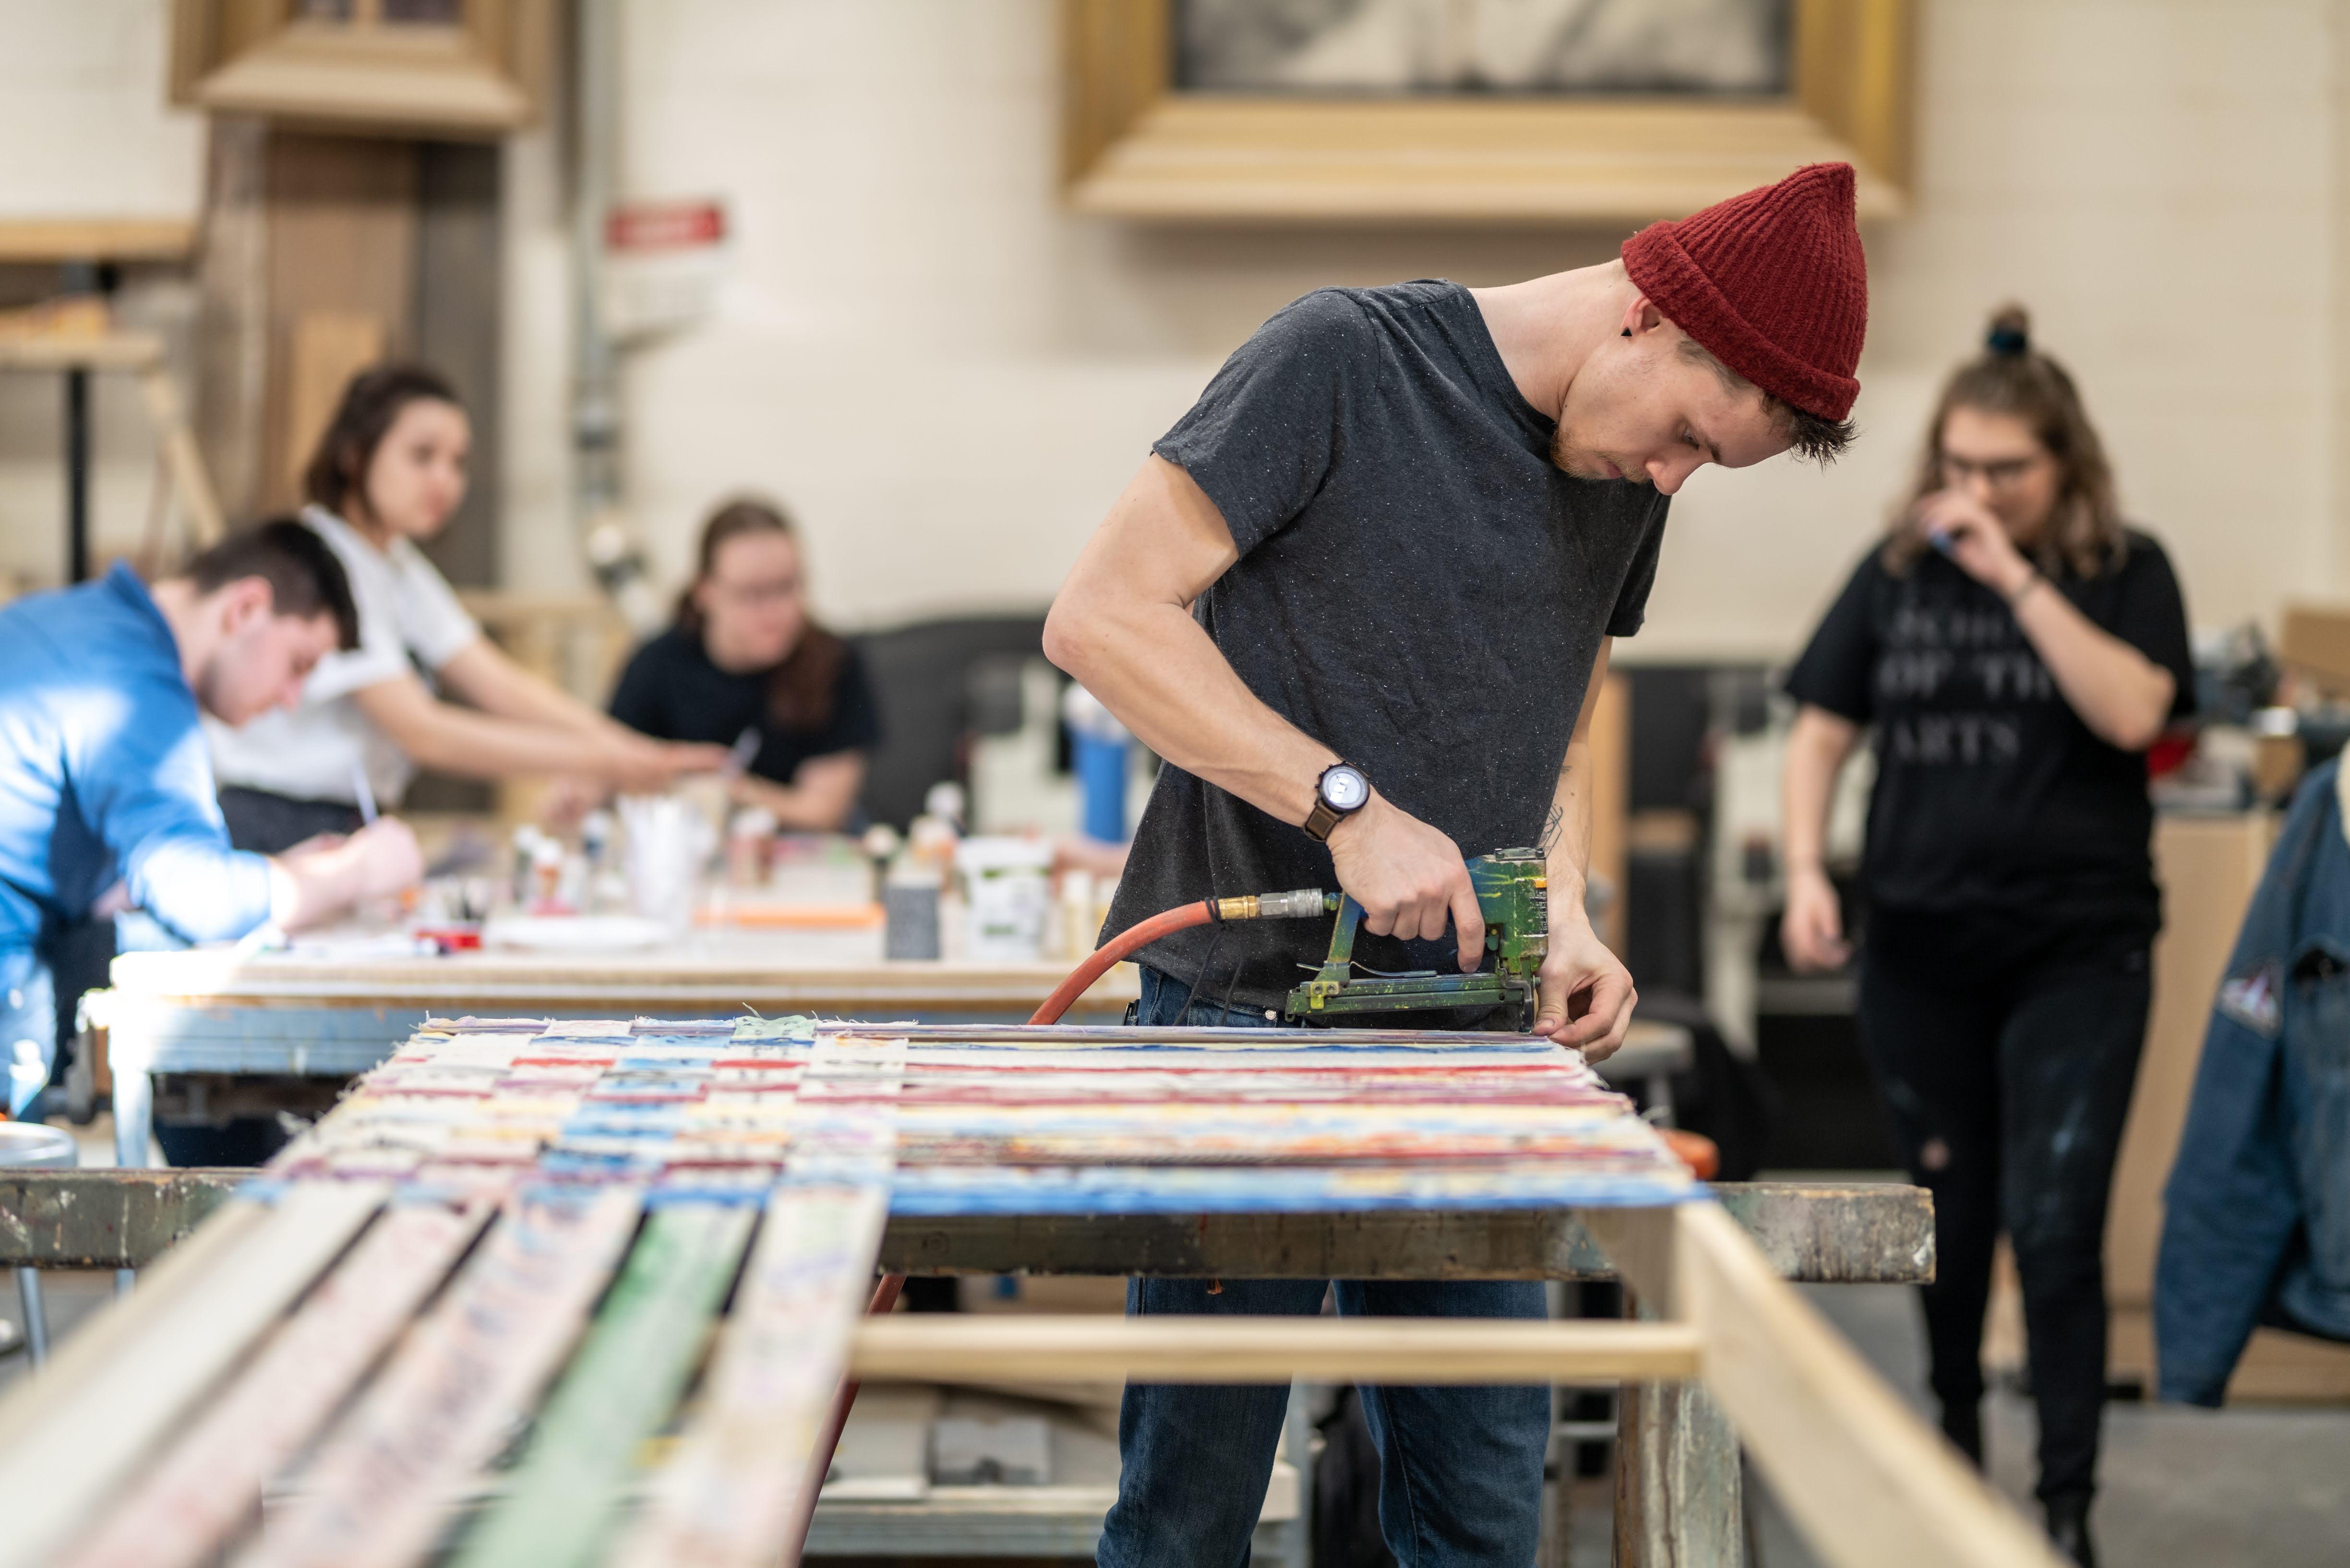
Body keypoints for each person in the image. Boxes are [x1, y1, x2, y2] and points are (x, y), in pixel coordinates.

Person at [1045, 163, 1867, 1567]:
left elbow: (1550, 738)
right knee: (1191, 1513)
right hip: (1246, 1017)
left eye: (1702, 468)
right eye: (1679, 435)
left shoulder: (1630, 473)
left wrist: (1567, 913)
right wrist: (1345, 808)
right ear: (1640, 320)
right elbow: (1104, 618)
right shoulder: (1344, 365)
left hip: (1471, 1049)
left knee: (1484, 1521)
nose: (1670, 480)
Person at [1779, 305, 2194, 1567]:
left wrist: (2015, 575)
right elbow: (1820, 728)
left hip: (2080, 949)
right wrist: (1808, 868)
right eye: (1955, 467)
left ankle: (2067, 1509)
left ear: (2064, 463)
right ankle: (1955, 1460)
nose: (1974, 491)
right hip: (1921, 949)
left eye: (2004, 470)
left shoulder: (2129, 568)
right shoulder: (1895, 571)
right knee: (1949, 1218)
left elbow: (2135, 717)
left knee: (2059, 1222)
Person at [207, 365, 725, 853]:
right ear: (356, 454)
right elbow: (424, 732)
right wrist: (610, 761)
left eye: (459, 463)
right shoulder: (322, 561)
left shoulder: (399, 565)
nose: (445, 481)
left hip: (350, 820)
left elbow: (498, 683)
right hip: (274, 819)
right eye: (423, 456)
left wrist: (640, 753)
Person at [0, 522, 423, 1118]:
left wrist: (285, 876)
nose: (291, 698)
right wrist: (359, 869)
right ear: (246, 607)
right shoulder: (138, 689)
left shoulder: (69, 620)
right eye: (298, 664)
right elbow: (199, 898)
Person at [606, 498, 880, 830]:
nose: (774, 612)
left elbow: (825, 811)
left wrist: (730, 792)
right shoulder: (656, 662)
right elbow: (612, 770)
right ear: (705, 592)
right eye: (751, 594)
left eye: (787, 587)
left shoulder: (834, 660)